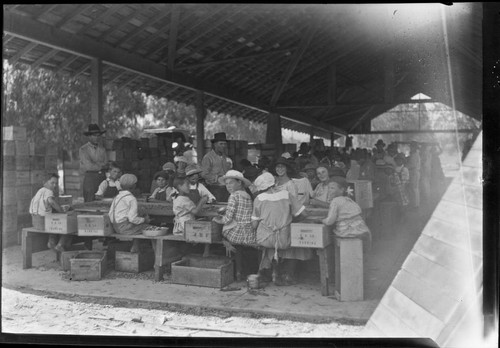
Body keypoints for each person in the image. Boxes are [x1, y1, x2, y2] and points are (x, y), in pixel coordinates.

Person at [252, 172, 307, 286]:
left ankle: (265, 273)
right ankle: (287, 275)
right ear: (275, 183)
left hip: (264, 239)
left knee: (266, 245)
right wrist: (289, 219)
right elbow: (304, 214)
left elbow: (254, 225)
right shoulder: (286, 194)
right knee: (296, 242)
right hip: (283, 239)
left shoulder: (258, 198)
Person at [213, 170, 256, 281]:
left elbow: (228, 219)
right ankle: (239, 271)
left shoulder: (233, 196)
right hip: (249, 232)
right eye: (226, 184)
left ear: (239, 183)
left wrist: (217, 219)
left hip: (237, 233)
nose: (228, 186)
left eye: (231, 183)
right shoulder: (247, 195)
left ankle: (228, 249)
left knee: (218, 232)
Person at [322, 176, 371, 253]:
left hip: (349, 233)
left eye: (332, 188)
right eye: (329, 188)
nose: (329, 191)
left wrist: (322, 220)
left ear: (342, 190)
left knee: (330, 236)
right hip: (363, 231)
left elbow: (329, 221)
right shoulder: (349, 200)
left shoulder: (335, 201)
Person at [29, 173, 73, 252]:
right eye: (52, 183)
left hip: (35, 221)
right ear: (45, 182)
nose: (54, 185)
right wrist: (62, 211)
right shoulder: (49, 192)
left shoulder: (40, 191)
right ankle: (60, 245)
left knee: (54, 217)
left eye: (56, 183)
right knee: (69, 224)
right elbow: (51, 202)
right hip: (43, 222)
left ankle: (52, 242)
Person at [108, 174, 152, 252]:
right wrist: (144, 220)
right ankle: (153, 256)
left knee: (139, 224)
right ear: (134, 186)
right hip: (125, 228)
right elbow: (132, 219)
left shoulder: (117, 196)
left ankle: (135, 247)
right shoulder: (131, 199)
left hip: (115, 227)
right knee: (151, 229)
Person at [79, 124, 108, 202]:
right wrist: (101, 166)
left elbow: (106, 164)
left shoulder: (102, 149)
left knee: (102, 202)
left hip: (102, 179)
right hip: (90, 180)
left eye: (98, 135)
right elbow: (88, 166)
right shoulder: (83, 149)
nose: (97, 137)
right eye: (94, 135)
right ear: (89, 136)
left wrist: (96, 165)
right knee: (89, 203)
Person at [407, 141, 421, 209]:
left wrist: (405, 166)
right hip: (413, 172)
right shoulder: (413, 154)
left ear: (414, 147)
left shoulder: (415, 154)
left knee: (414, 189)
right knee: (413, 189)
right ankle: (414, 204)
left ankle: (416, 205)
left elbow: (412, 165)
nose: (410, 148)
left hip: (414, 172)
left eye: (411, 146)